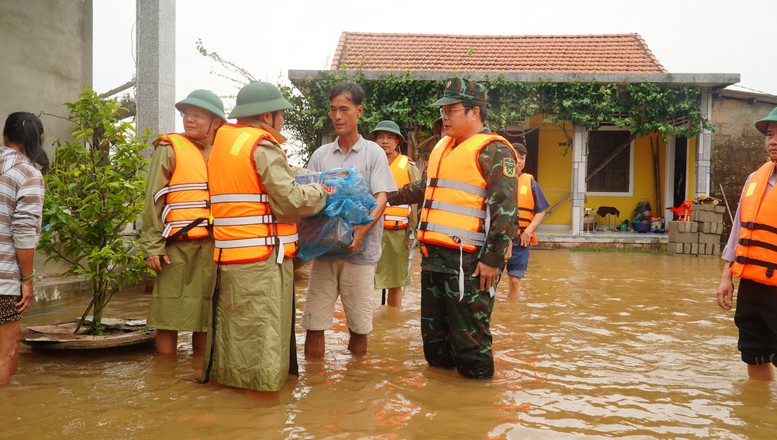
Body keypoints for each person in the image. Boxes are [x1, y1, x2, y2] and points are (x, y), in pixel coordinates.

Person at [389, 78, 518, 379]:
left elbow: (506, 211)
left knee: (470, 342)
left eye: (451, 109)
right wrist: (385, 196)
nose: (444, 116)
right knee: (435, 341)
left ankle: (475, 407)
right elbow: (424, 187)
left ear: (474, 112)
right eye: (443, 109)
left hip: (469, 263)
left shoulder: (495, 151)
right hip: (433, 258)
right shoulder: (444, 148)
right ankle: (441, 405)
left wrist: (491, 260)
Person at [204, 81, 328, 392]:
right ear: (267, 116)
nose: (282, 121)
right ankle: (262, 403)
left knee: (234, 331)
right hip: (262, 261)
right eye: (280, 114)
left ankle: (232, 395)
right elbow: (290, 201)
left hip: (230, 258)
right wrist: (320, 192)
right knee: (262, 334)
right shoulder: (261, 145)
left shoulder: (224, 143)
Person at [302, 83, 396, 358]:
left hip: (361, 254)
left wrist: (360, 232)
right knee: (313, 323)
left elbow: (382, 197)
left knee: (359, 326)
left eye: (344, 109)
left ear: (359, 111)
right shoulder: (320, 155)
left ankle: (355, 388)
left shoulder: (374, 153)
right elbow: (309, 197)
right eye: (333, 110)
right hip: (324, 253)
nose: (337, 116)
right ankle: (316, 386)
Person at [141, 89, 225, 356]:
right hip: (175, 245)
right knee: (168, 311)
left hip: (214, 244)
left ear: (216, 122)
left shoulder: (225, 153)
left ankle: (197, 376)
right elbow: (152, 198)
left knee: (205, 313)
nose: (189, 119)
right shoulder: (169, 148)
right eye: (186, 114)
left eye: (198, 115)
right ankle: (165, 378)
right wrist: (152, 246)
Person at [717, 106, 777, 381]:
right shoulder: (755, 180)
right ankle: (759, 410)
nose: (773, 141)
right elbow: (738, 232)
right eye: (769, 135)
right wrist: (726, 278)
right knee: (753, 352)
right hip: (752, 284)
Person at [0, 112, 48, 385]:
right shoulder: (28, 174)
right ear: (38, 140)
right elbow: (23, 232)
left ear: (5, 136)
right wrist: (27, 279)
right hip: (4, 278)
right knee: (6, 351)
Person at [371, 120, 420, 308]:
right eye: (381, 137)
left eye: (390, 137)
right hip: (370, 229)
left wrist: (413, 231)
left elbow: (416, 200)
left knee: (395, 282)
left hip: (397, 232)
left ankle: (393, 319)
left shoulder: (408, 166)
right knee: (363, 280)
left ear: (398, 141)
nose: (385, 141)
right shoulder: (369, 164)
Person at [504, 142, 549, 300]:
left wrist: (528, 232)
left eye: (522, 158)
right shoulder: (496, 180)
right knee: (490, 278)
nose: (519, 161)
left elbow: (541, 210)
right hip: (499, 238)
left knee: (515, 280)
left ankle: (513, 315)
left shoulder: (530, 181)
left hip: (520, 240)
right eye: (516, 157)